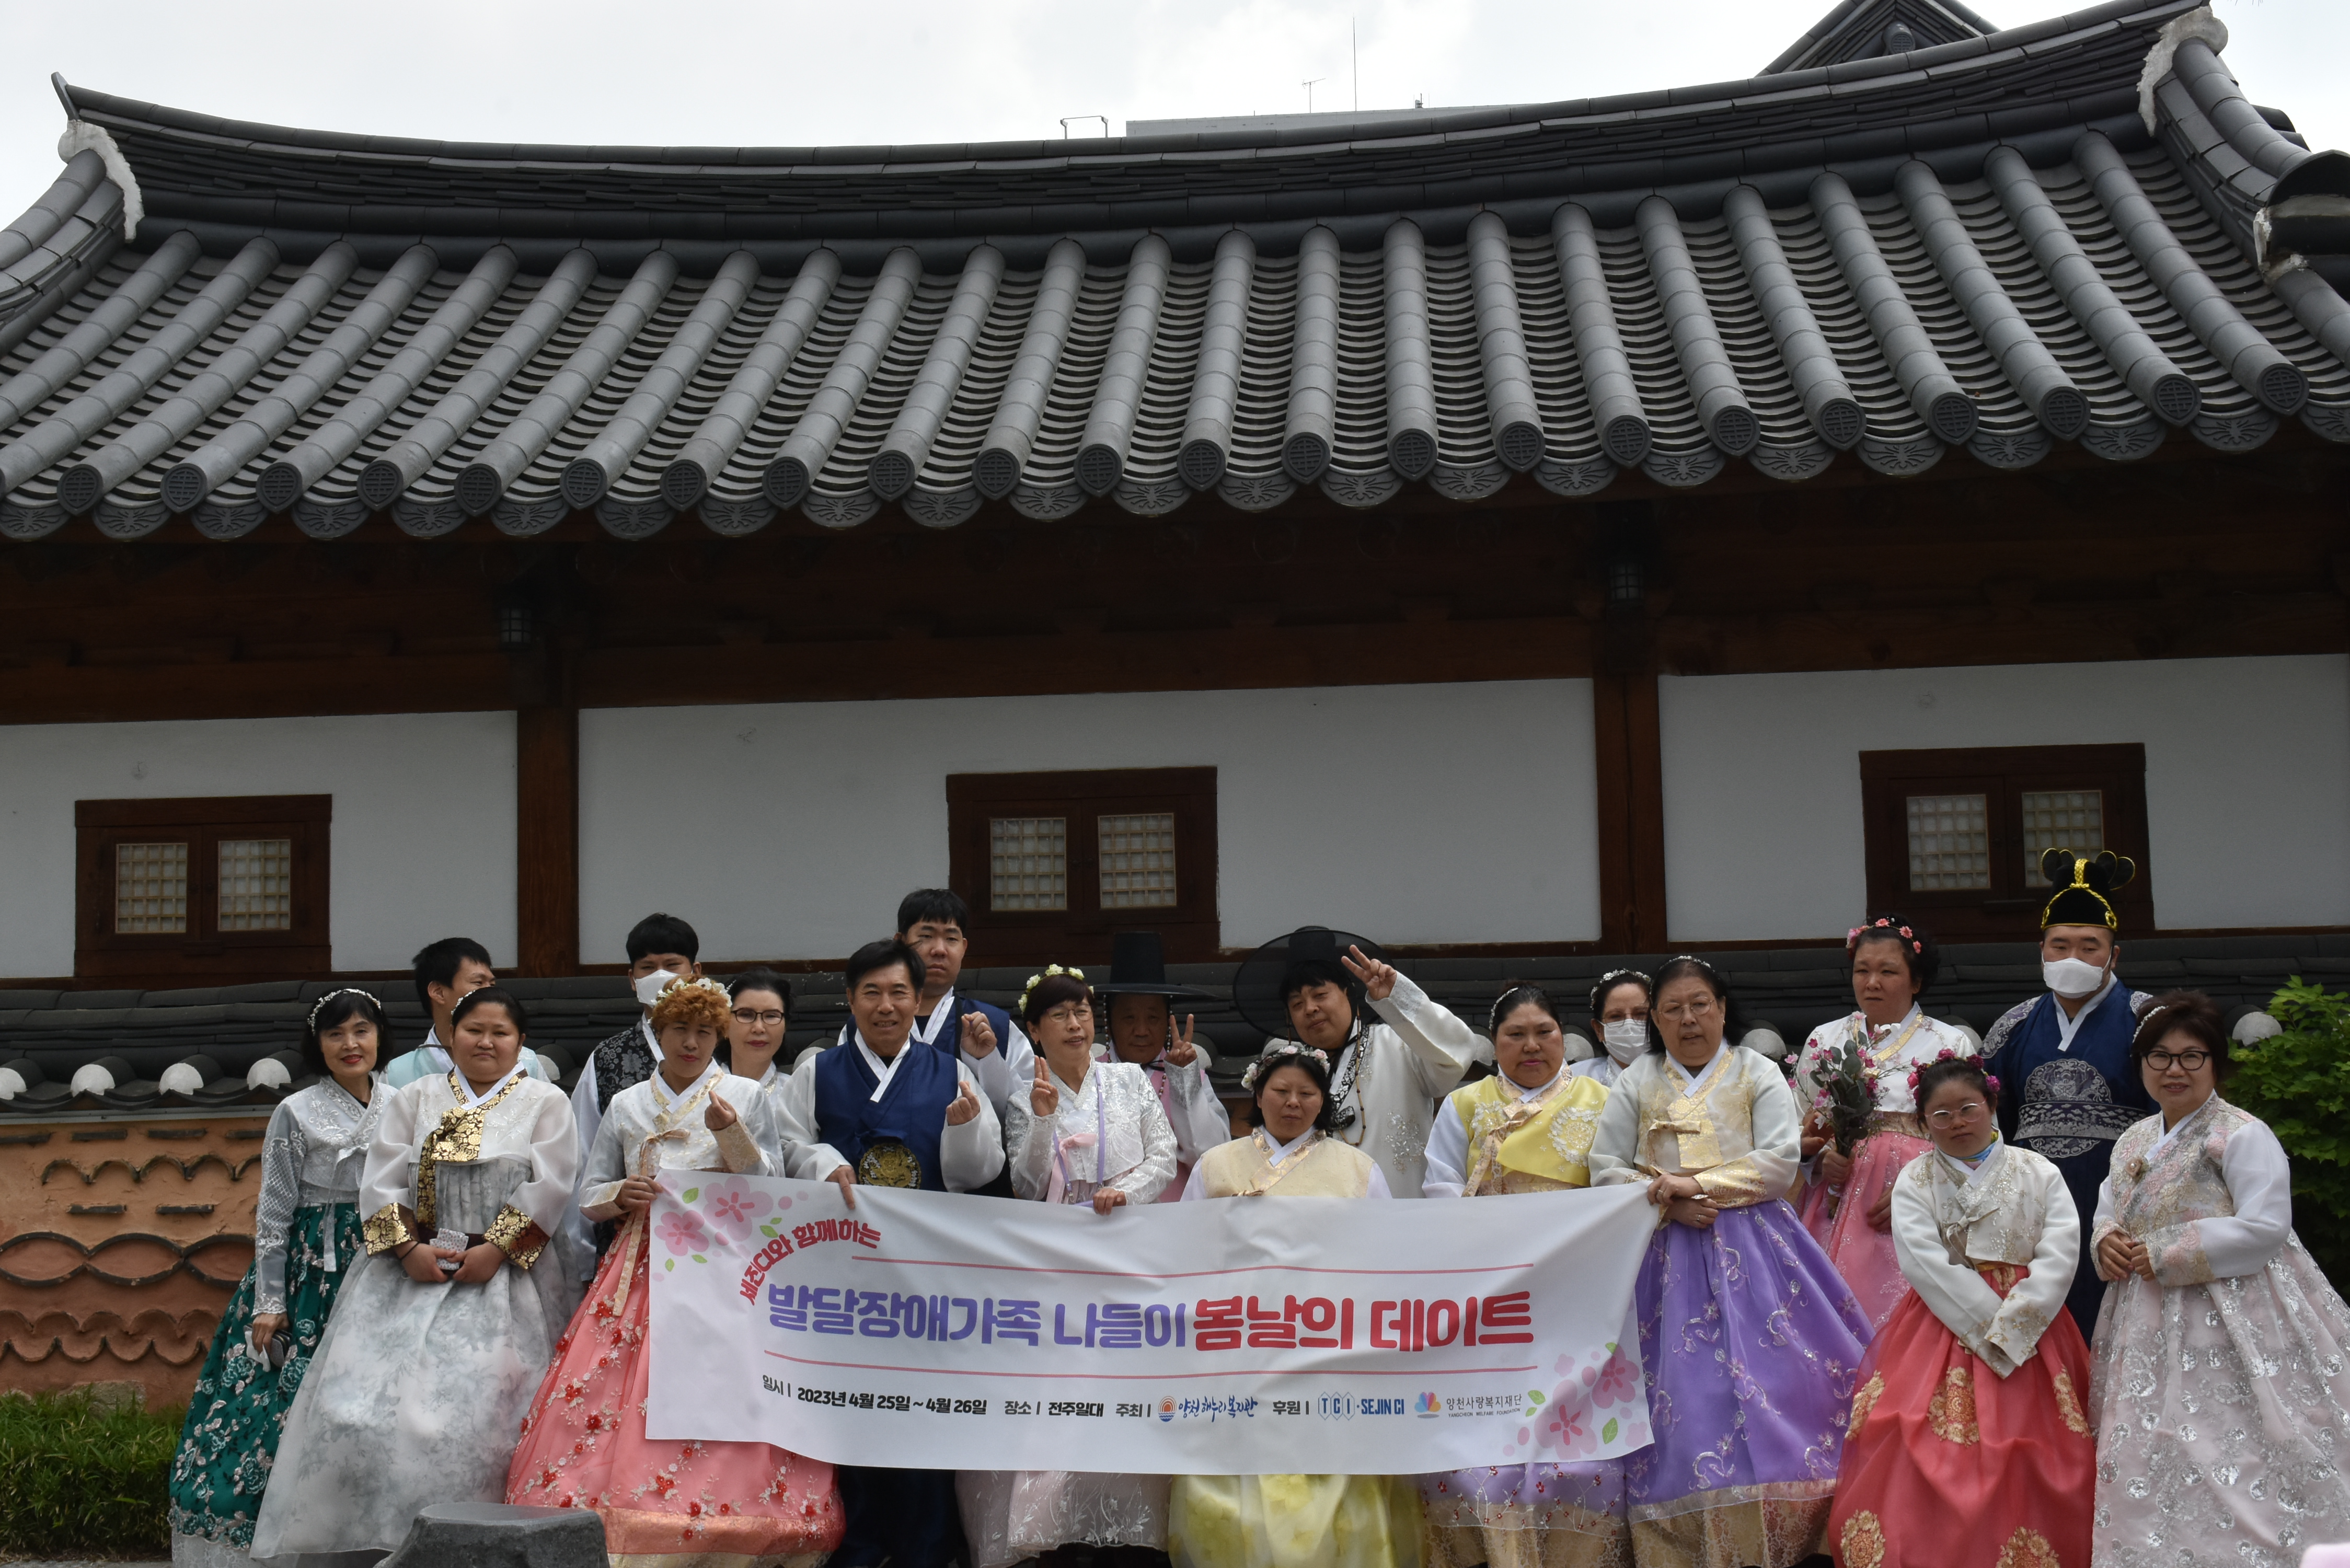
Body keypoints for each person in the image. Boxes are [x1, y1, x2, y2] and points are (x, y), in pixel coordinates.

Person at [507, 976, 837, 1563]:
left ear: (720, 1034)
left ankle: (728, 1512)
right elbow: (587, 1193)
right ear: (657, 1034)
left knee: (720, 1382)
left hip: (723, 1262)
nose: (692, 1042)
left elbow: (769, 1188)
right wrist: (621, 1192)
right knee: (626, 1384)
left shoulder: (744, 1095)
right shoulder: (627, 1102)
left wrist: (729, 1133)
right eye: (680, 1030)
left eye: (705, 1032)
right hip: (639, 1261)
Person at [251, 987, 582, 1558]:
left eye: (500, 1033)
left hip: (506, 1282)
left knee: (490, 1415)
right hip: (409, 1273)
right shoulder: (414, 1098)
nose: (485, 1042)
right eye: (473, 1030)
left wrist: (496, 1250)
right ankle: (382, 1536)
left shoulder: (545, 1101)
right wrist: (408, 1251)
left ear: (519, 1042)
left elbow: (552, 1185)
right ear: (450, 1037)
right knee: (363, 1412)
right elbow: (380, 1182)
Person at [1587, 955, 1872, 1567]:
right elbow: (1603, 1167)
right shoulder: (1635, 1081)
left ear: (1721, 1009)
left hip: (1755, 1245)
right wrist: (1662, 1201)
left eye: (1700, 1005)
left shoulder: (1755, 1070)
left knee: (1780, 1379)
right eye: (1672, 1009)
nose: (1688, 1019)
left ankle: (1793, 1523)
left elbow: (1776, 1161)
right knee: (1682, 1397)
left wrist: (1697, 1188)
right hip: (1659, 1250)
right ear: (1655, 1021)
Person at [2087, 990, 2350, 1563]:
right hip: (2144, 1314)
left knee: (2231, 1441)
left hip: (2234, 1311)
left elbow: (2264, 1227)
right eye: (2159, 1056)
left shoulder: (2239, 1133)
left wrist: (2163, 1250)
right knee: (2150, 1444)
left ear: (2214, 1064)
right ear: (2140, 1064)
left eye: (2191, 1056)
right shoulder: (2133, 1137)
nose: (2173, 1069)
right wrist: (2104, 1239)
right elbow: (2111, 1204)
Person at [773, 938, 1001, 1568]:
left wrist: (960, 1129)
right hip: (841, 1276)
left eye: (898, 992)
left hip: (923, 1275)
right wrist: (824, 1162)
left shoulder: (951, 1070)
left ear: (917, 998)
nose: (885, 1005)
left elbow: (982, 1172)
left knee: (923, 1411)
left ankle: (928, 1547)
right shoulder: (818, 1070)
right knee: (847, 1410)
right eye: (870, 992)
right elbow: (790, 1144)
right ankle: (856, 1544)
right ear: (850, 999)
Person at [1825, 1055, 2094, 1568]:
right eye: (1940, 1115)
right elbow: (1923, 1261)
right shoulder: (1915, 1180)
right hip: (1940, 1320)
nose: (1956, 1123)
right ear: (1924, 1122)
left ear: (1992, 1106)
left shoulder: (2037, 1171)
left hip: (2032, 1322)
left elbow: (2059, 1252)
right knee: (1912, 1433)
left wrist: (2017, 1322)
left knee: (2035, 1445)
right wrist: (1988, 1324)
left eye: (1968, 1109)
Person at [961, 964, 1179, 1568]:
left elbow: (1164, 1156)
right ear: (1035, 1030)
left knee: (1123, 1381)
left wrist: (1124, 1194)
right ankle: (1045, 1523)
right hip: (1055, 1261)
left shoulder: (1130, 1079)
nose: (1075, 1023)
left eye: (1082, 1011)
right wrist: (1040, 1119)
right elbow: (1029, 1184)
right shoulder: (1022, 1092)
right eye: (1059, 1014)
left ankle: (1127, 1523)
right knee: (1056, 1387)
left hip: (1125, 1247)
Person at [1170, 1041, 1415, 1568]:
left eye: (1306, 1094)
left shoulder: (1356, 1169)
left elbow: (1382, 1259)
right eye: (1280, 1091)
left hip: (1324, 1344)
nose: (1292, 1103)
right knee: (1232, 1488)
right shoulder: (1216, 1165)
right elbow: (1185, 1255)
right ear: (1257, 1094)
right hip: (1238, 1344)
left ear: (1321, 1101)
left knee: (1330, 1478)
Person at [168, 988, 389, 1568]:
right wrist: (271, 1301)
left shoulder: (406, 1105)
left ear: (380, 1037)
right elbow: (273, 1214)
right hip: (310, 1273)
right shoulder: (296, 1112)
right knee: (278, 1411)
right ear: (317, 1045)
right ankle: (274, 1542)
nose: (351, 1044)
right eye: (336, 1034)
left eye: (362, 1031)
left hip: (387, 1265)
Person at [1420, 982, 1627, 1568]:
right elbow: (1438, 1188)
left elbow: (1618, 1185)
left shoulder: (1601, 1098)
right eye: (1515, 1035)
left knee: (1578, 1437)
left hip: (1577, 1287)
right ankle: (1486, 1548)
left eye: (1544, 1033)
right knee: (1486, 1433)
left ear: (1566, 1037)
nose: (1530, 1045)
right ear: (1493, 1042)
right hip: (1492, 1289)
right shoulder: (1463, 1104)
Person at [1984, 851, 2154, 1340]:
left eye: (2089, 946)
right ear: (2041, 950)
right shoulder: (2013, 1027)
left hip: (2119, 1211)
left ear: (2114, 955)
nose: (2072, 958)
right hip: (2033, 1211)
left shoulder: (2149, 1023)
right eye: (2060, 945)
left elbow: (2171, 1125)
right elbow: (1991, 1127)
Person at [1794, 916, 1975, 1329]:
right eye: (1862, 970)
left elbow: (1973, 1134)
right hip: (1837, 1197)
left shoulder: (1949, 1043)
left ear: (1916, 981)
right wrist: (1819, 1159)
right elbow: (1798, 1120)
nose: (1871, 982)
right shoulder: (1825, 1039)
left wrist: (1923, 1187)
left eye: (1887, 971)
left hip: (1920, 1193)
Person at [1231, 926, 1482, 1200]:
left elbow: (1458, 1052)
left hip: (1401, 1217)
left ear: (1348, 994)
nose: (1310, 1009)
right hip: (1319, 1221)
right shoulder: (1288, 1071)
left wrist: (1396, 998)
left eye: (1320, 995)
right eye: (1297, 1003)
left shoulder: (1399, 1044)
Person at [571, 913, 705, 1263]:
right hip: (626, 1242)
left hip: (713, 1237)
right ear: (632, 979)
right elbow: (584, 1158)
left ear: (697, 972)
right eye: (647, 967)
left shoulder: (724, 1048)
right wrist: (584, 1255)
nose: (660, 977)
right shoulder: (607, 1058)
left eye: (673, 964)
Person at [1096, 930, 1227, 1203]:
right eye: (1129, 1017)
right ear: (1108, 1020)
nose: (1141, 1030)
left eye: (1153, 1018)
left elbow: (1211, 1156)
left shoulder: (1193, 1077)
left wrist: (1184, 1081)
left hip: (1174, 1220)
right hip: (1104, 1220)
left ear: (1169, 1022)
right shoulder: (1088, 1076)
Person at [893, 887, 1036, 1117]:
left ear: (964, 948)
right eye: (926, 936)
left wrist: (988, 1061)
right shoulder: (870, 1022)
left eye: (951, 939)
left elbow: (1027, 1110)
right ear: (900, 943)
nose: (939, 950)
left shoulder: (996, 1026)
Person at [380, 936, 555, 1087]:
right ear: (439, 992)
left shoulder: (526, 1062)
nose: (489, 993)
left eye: (492, 985)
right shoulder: (397, 1074)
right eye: (478, 983)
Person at [723, 966, 796, 1168]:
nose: (759, 1028)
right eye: (746, 1015)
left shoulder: (798, 1093)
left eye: (771, 1016)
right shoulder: (700, 1090)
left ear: (785, 1025)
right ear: (723, 1022)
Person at [1571, 969, 1651, 1089]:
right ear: (1599, 1030)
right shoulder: (1574, 1081)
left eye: (1641, 1014)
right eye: (1616, 1016)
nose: (1629, 1025)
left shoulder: (1680, 1077)